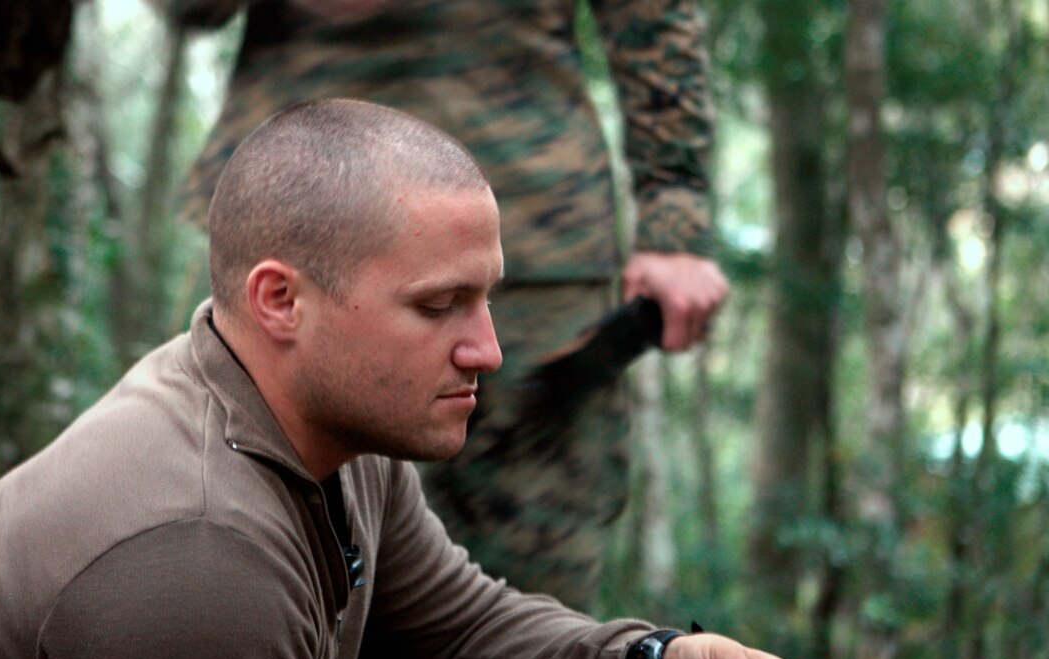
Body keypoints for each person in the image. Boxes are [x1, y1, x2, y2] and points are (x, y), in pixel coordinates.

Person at [0, 99, 829, 659]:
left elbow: (460, 634)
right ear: (280, 301)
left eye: (485, 299)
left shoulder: (322, 420)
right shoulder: (192, 554)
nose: (486, 349)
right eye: (437, 305)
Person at [165, 0, 730, 614]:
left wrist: (675, 217)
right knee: (262, 578)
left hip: (533, 243)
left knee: (538, 614)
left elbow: (654, 15)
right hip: (297, 229)